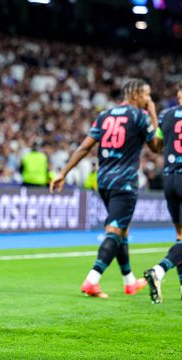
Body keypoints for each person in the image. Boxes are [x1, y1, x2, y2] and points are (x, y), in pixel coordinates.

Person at [50, 79, 159, 298]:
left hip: (104, 180)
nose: (149, 99)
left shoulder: (105, 115)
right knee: (115, 230)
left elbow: (84, 147)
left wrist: (63, 173)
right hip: (125, 181)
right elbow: (156, 147)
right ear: (136, 94)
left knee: (122, 230)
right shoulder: (140, 116)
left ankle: (129, 281)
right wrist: (154, 114)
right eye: (147, 95)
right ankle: (93, 279)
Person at [143, 81, 182, 303]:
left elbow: (156, 146)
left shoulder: (167, 115)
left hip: (169, 179)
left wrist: (154, 116)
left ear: (179, 95)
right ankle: (159, 270)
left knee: (180, 237)